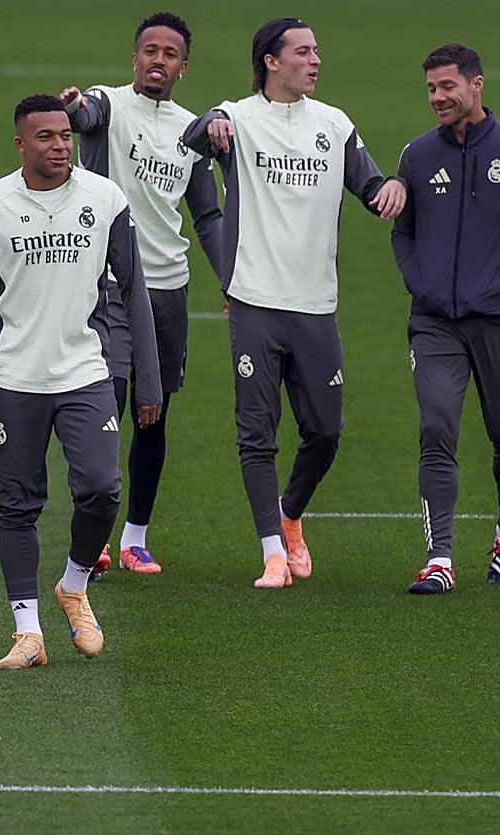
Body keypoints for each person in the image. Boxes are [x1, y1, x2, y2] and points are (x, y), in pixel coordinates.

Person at [183, 18, 406, 589]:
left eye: (316, 52)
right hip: (255, 300)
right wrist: (215, 124)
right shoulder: (239, 116)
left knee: (326, 431)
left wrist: (391, 189)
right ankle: (272, 553)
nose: (315, 60)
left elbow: (368, 183)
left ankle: (291, 513)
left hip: (315, 304)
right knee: (256, 433)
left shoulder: (334, 124)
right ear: (270, 61)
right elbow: (196, 137)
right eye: (303, 52)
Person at [0, 94, 162, 669]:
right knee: (16, 506)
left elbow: (134, 289)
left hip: (85, 372)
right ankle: (27, 632)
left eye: (65, 135)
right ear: (21, 144)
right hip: (15, 377)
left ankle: (72, 584)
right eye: (45, 137)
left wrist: (149, 381)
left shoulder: (104, 198)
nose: (60, 145)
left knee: (102, 487)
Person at [392, 44, 500, 595]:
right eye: (430, 89)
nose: (438, 98)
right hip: (435, 322)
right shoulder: (417, 156)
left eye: (447, 87)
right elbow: (404, 230)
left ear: (477, 85)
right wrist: (417, 279)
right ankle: (440, 558)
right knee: (436, 428)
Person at [60, 11, 223, 577]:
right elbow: (85, 116)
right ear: (135, 58)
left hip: (168, 290)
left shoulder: (193, 131)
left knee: (155, 413)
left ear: (183, 65)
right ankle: (96, 534)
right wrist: (73, 107)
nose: (158, 60)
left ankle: (135, 537)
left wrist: (229, 278)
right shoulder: (108, 103)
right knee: (108, 407)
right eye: (149, 50)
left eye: (170, 53)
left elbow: (207, 215)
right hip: (106, 287)